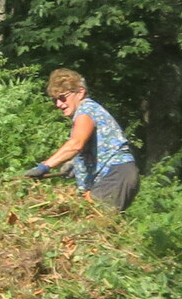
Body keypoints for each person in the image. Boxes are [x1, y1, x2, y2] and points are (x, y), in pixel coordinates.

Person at [27, 69, 138, 211]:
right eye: (55, 100)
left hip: (115, 175)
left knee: (94, 221)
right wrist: (76, 164)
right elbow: (98, 146)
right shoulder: (90, 110)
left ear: (80, 92)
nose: (58, 104)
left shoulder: (86, 110)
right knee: (92, 220)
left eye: (62, 98)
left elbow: (76, 144)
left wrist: (44, 166)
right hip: (116, 175)